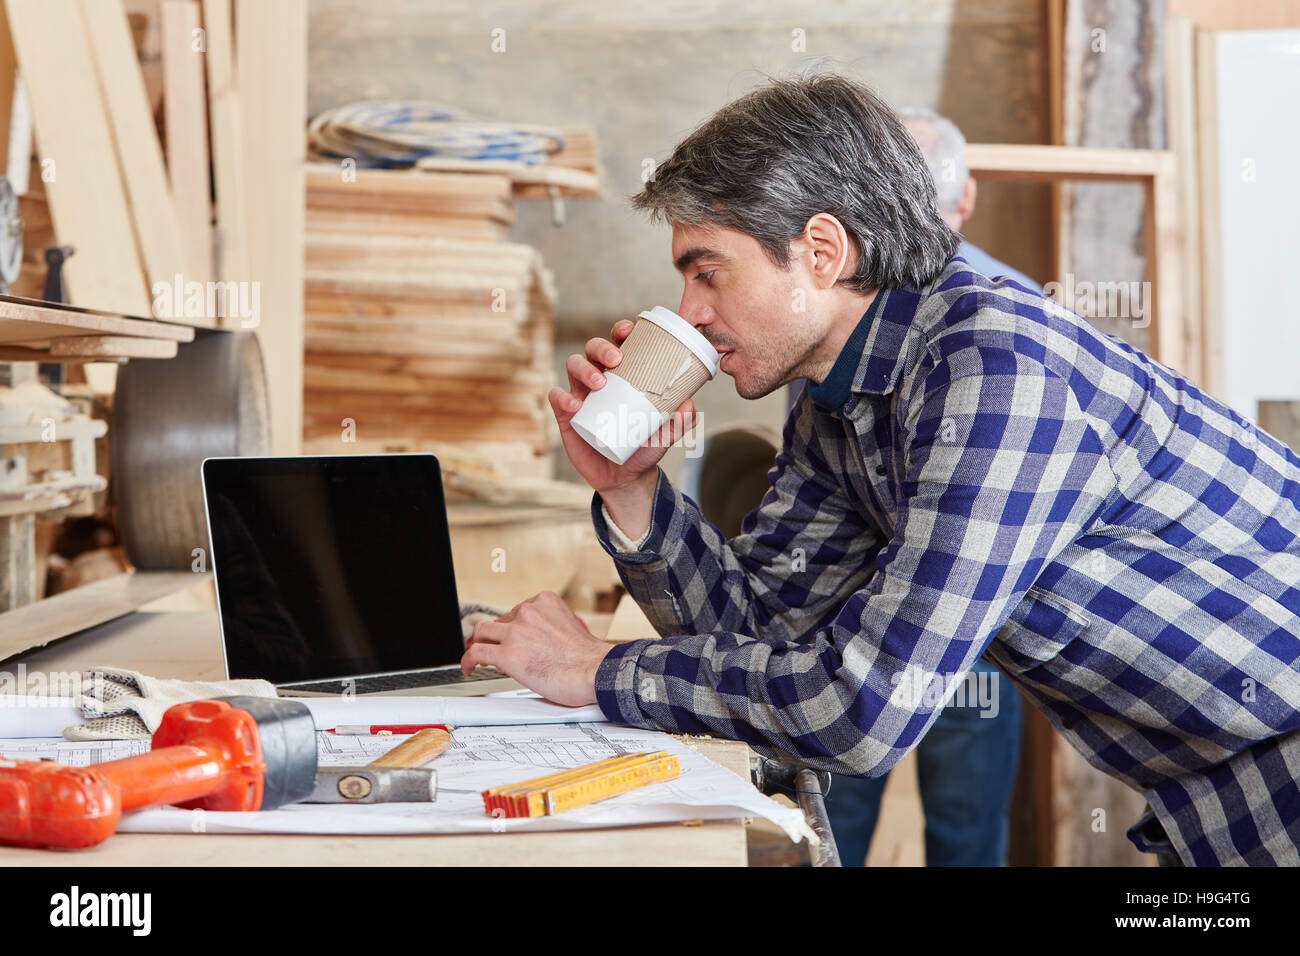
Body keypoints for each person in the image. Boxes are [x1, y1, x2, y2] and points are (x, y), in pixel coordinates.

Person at [461, 74, 1300, 866]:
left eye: (708, 272)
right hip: (1211, 798)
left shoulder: (995, 370)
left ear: (822, 251)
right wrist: (633, 489)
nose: (693, 315)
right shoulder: (836, 401)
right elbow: (759, 633)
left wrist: (598, 671)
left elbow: (860, 709)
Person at [815, 107, 1034, 867]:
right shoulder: (834, 311)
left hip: (927, 616)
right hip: (927, 619)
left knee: (853, 826)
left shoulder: (1008, 316)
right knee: (959, 833)